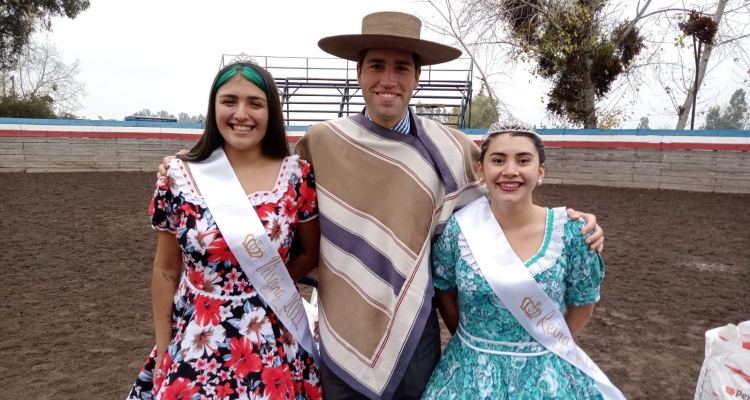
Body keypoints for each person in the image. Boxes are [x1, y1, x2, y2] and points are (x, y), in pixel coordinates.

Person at [158, 12, 604, 399]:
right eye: (376, 66)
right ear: (359, 72)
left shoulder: (451, 148)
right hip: (340, 325)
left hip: (415, 327)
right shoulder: (322, 142)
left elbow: (503, 201)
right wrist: (193, 166)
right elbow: (267, 195)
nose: (387, 80)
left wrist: (567, 221)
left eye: (400, 68)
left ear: (416, 77)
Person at [128, 62, 323, 400]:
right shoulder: (179, 175)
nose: (241, 113)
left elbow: (310, 252)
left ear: (271, 111)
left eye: (255, 103)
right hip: (196, 336)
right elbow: (165, 269)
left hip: (270, 339)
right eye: (229, 101)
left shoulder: (297, 176)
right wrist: (163, 347)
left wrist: (265, 284)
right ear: (213, 106)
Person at [421, 119, 624, 399]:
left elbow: (582, 307)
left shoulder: (574, 233)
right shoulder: (456, 231)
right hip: (468, 373)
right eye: (498, 159)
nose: (510, 171)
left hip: (546, 374)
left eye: (523, 160)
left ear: (540, 171)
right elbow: (446, 295)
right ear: (482, 169)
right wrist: (474, 343)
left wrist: (548, 347)